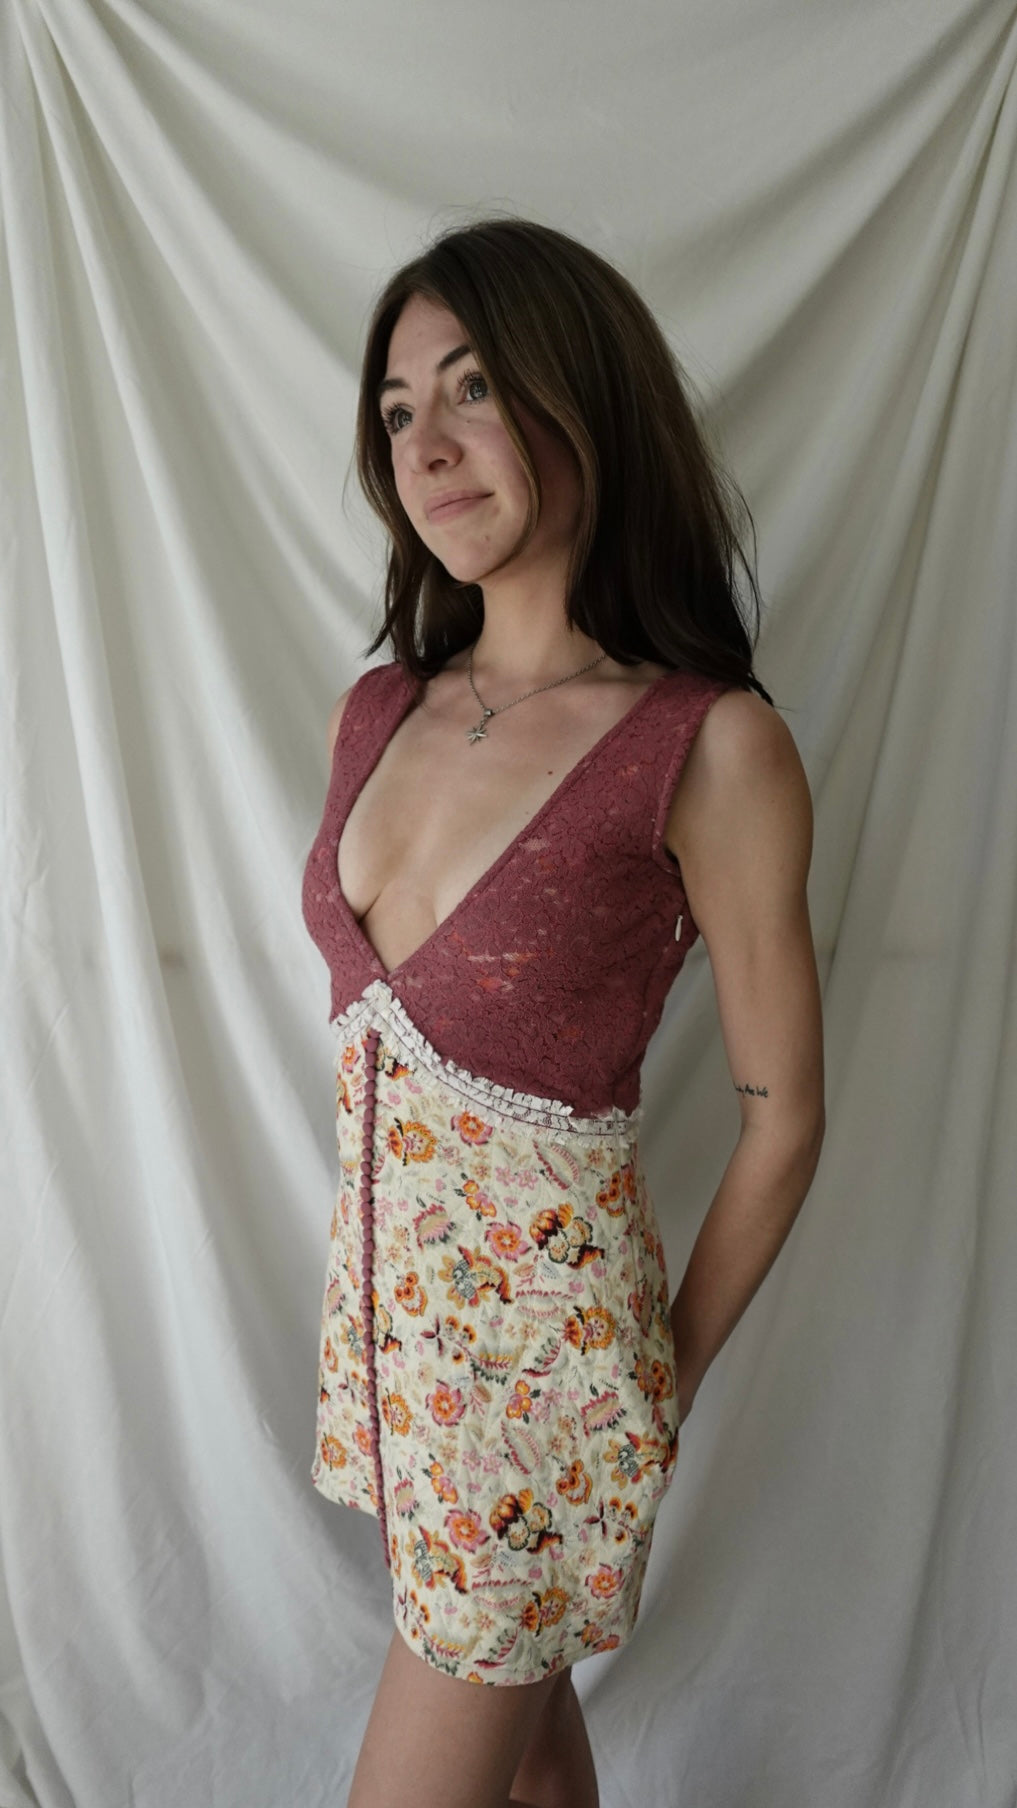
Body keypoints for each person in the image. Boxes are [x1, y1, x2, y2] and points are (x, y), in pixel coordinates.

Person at [301, 215, 825, 1808]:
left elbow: (781, 1112)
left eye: (472, 389)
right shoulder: (378, 706)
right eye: (397, 410)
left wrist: (643, 1390)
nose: (429, 445)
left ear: (579, 402)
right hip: (392, 1358)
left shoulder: (703, 743)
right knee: (528, 1772)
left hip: (543, 1401)